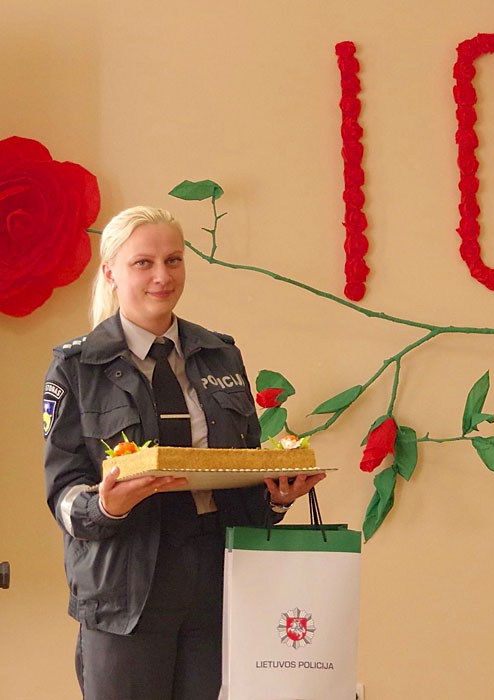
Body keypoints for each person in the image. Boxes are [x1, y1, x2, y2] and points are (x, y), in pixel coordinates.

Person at [43, 206, 326, 700]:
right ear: (110, 272)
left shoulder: (221, 354)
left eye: (173, 260)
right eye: (143, 263)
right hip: (124, 587)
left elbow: (240, 472)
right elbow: (63, 494)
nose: (162, 276)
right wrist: (107, 505)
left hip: (217, 577)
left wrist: (277, 496)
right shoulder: (76, 367)